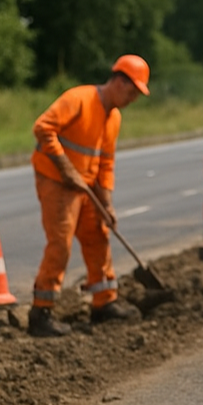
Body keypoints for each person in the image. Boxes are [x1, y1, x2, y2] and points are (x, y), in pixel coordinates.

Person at [27, 55, 151, 337]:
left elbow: (105, 163)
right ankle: (40, 313)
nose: (133, 99)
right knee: (60, 244)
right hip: (56, 181)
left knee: (98, 235)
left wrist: (107, 205)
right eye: (132, 92)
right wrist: (66, 168)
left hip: (85, 185)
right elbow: (42, 128)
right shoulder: (79, 99)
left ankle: (104, 303)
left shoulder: (114, 118)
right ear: (119, 82)